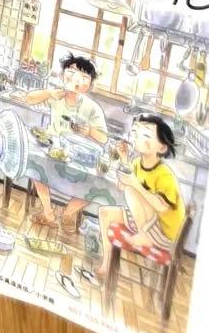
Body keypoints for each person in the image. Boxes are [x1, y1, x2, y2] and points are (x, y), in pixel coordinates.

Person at [18, 54, 107, 232]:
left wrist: (89, 131)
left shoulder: (92, 108)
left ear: (90, 85)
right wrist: (48, 93)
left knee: (96, 185)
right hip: (52, 149)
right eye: (71, 72)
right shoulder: (56, 95)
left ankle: (68, 213)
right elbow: (28, 98)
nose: (76, 79)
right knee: (34, 166)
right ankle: (48, 213)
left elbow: (103, 137)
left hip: (78, 155)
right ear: (62, 75)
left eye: (84, 77)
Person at [94, 114, 185, 282]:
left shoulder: (165, 175)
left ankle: (143, 236)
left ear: (162, 148)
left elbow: (162, 207)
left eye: (146, 134)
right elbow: (121, 186)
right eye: (135, 132)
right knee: (105, 212)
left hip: (164, 234)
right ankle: (106, 264)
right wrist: (124, 158)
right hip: (146, 221)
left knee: (132, 190)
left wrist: (133, 184)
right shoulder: (136, 163)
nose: (136, 136)